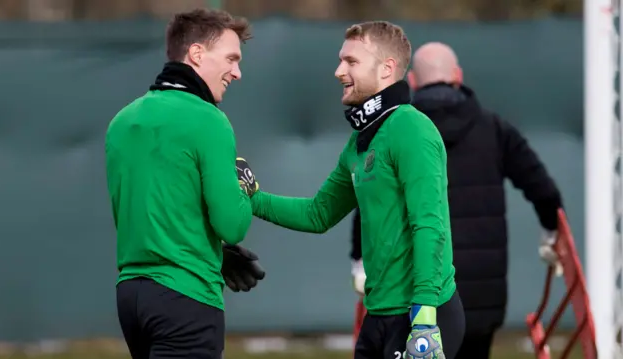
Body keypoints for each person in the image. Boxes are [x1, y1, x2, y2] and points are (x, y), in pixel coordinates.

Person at [236, 22, 465, 359]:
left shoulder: (412, 128)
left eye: (351, 61)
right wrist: (252, 197)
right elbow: (318, 214)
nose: (338, 71)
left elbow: (430, 225)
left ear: (387, 68)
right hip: (380, 314)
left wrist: (425, 316)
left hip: (421, 316)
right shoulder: (360, 140)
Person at [350, 41, 564, 359]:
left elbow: (371, 203)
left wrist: (359, 262)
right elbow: (544, 191)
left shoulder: (393, 131)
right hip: (480, 297)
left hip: (412, 295)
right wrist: (550, 236)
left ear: (411, 82)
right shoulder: (494, 129)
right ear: (458, 76)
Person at [104, 8, 265, 359]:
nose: (237, 72)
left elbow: (150, 215)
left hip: (130, 295)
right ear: (196, 54)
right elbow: (232, 224)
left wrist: (212, 252)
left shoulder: (122, 120)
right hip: (187, 296)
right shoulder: (210, 120)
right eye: (231, 59)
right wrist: (243, 185)